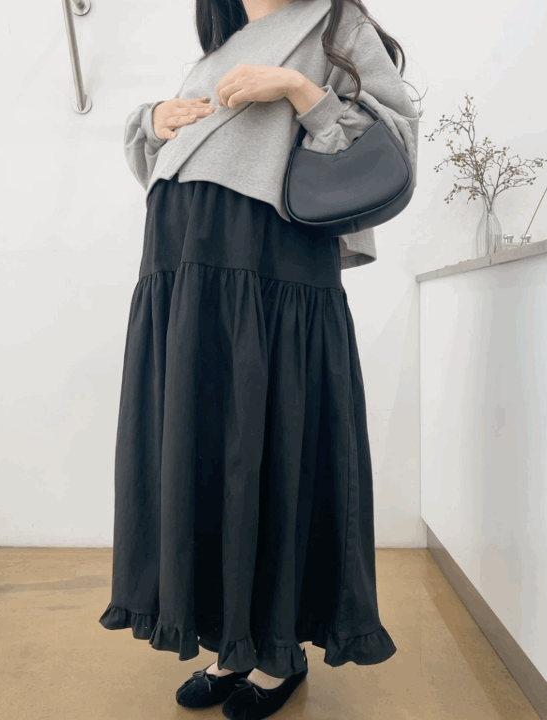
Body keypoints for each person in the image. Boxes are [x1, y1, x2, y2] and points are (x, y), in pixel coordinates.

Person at [99, 1, 422, 717]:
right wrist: (151, 121)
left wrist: (301, 90)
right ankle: (231, 644)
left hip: (269, 265)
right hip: (184, 270)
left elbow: (396, 148)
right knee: (208, 453)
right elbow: (180, 148)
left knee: (271, 446)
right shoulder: (221, 46)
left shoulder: (337, 25)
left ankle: (280, 648)